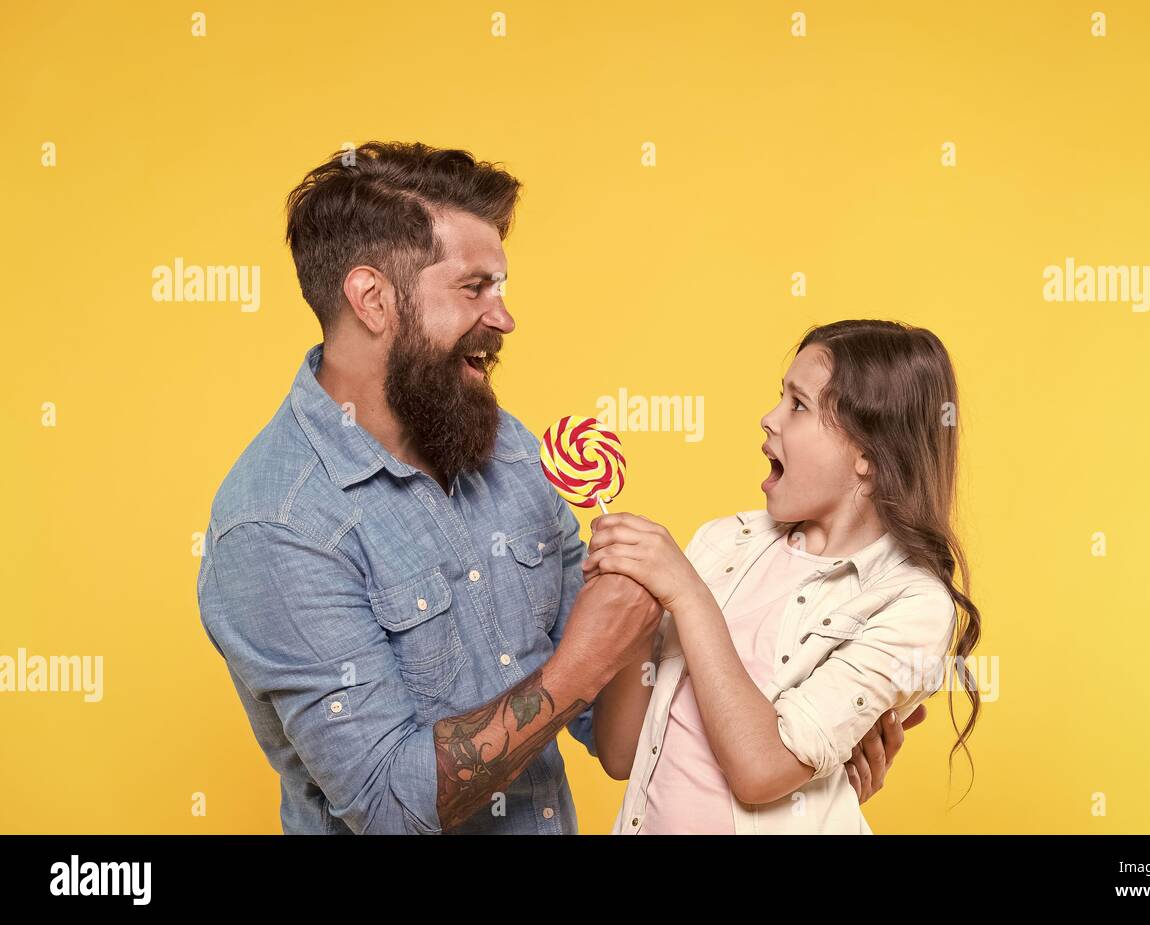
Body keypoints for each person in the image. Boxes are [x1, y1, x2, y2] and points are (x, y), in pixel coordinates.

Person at [196, 142, 918, 834]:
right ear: (372, 299)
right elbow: (389, 806)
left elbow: (619, 735)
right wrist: (579, 666)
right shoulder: (277, 525)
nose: (504, 317)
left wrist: (805, 757)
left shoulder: (506, 449)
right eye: (474, 288)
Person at [587, 320, 982, 833]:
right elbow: (621, 754)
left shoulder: (911, 605)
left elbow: (761, 770)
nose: (768, 418)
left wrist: (685, 593)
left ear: (868, 453)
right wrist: (633, 596)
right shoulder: (722, 541)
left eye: (798, 405)